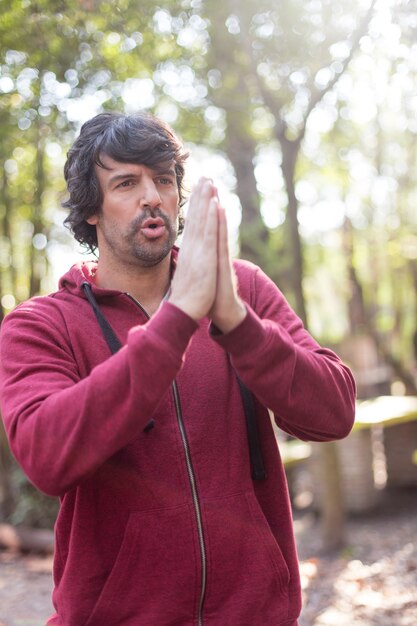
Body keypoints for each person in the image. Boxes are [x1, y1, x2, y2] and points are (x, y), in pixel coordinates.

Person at [0, 112, 356, 626]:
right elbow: (46, 455)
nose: (153, 196)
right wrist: (178, 319)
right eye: (126, 183)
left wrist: (235, 319)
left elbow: (334, 412)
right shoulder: (41, 324)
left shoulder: (241, 290)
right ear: (92, 210)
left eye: (164, 180)